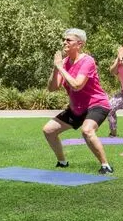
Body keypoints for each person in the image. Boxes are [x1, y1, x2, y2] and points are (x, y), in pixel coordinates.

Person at [42, 28, 114, 174]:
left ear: (79, 44)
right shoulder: (63, 63)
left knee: (87, 131)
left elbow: (77, 85)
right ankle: (62, 163)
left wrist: (61, 68)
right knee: (48, 130)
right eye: (64, 40)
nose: (64, 42)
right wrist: (56, 68)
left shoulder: (87, 61)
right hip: (77, 108)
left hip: (97, 104)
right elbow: (52, 88)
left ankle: (106, 166)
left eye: (68, 40)